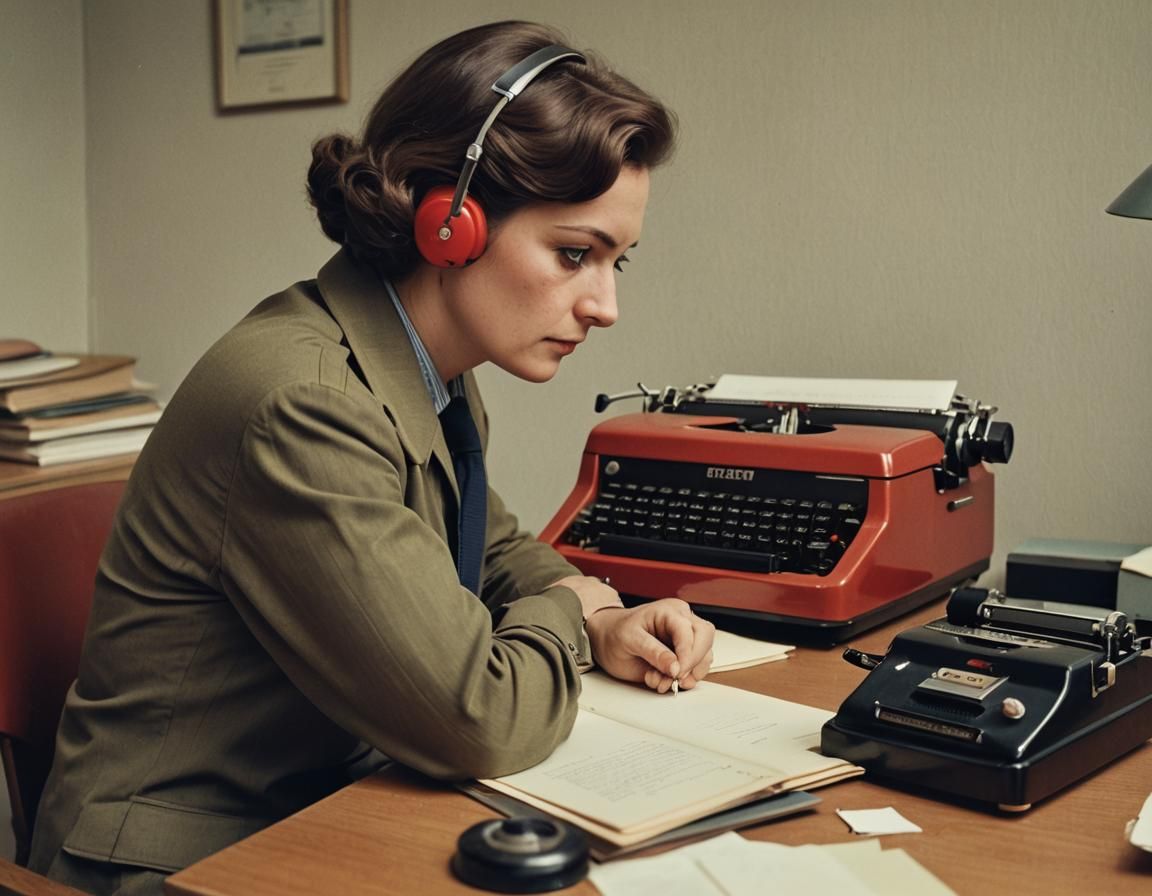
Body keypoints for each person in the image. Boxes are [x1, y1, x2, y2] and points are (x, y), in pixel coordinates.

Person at [29, 20, 714, 895]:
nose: (605, 304)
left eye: (619, 261)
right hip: (179, 860)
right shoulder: (303, 401)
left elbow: (491, 544)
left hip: (326, 802)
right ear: (450, 223)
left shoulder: (424, 361)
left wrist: (603, 617)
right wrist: (567, 615)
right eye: (575, 254)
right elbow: (480, 718)